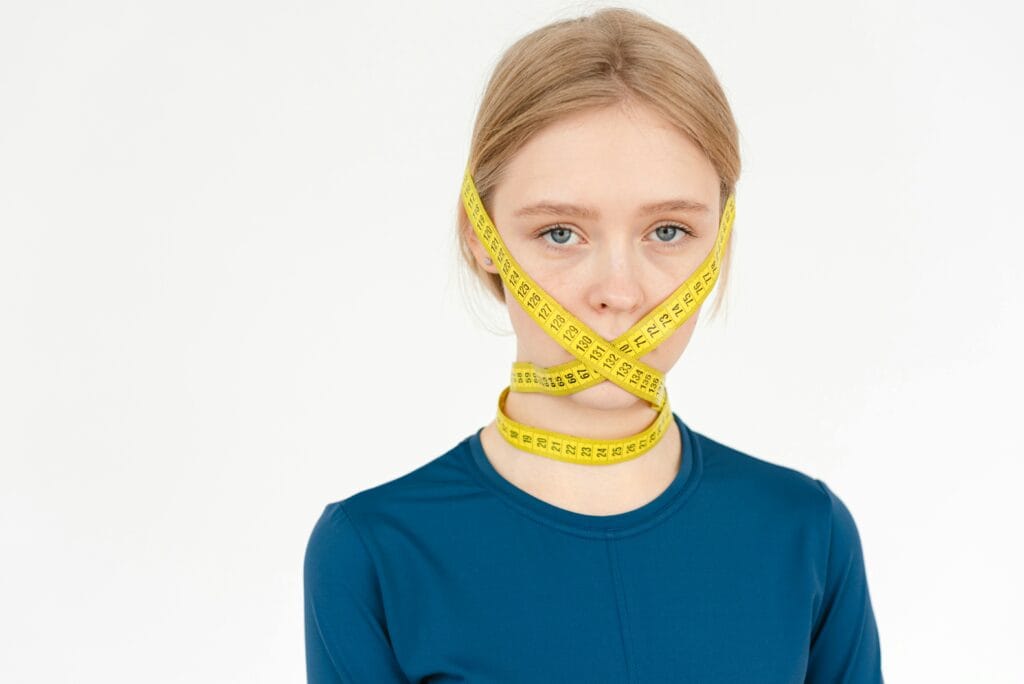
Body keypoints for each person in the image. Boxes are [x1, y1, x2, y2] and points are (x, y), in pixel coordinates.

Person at [304, 7, 883, 683]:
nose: (619, 294)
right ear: (479, 235)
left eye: (668, 231)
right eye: (559, 233)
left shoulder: (807, 535)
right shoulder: (374, 554)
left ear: (721, 239)